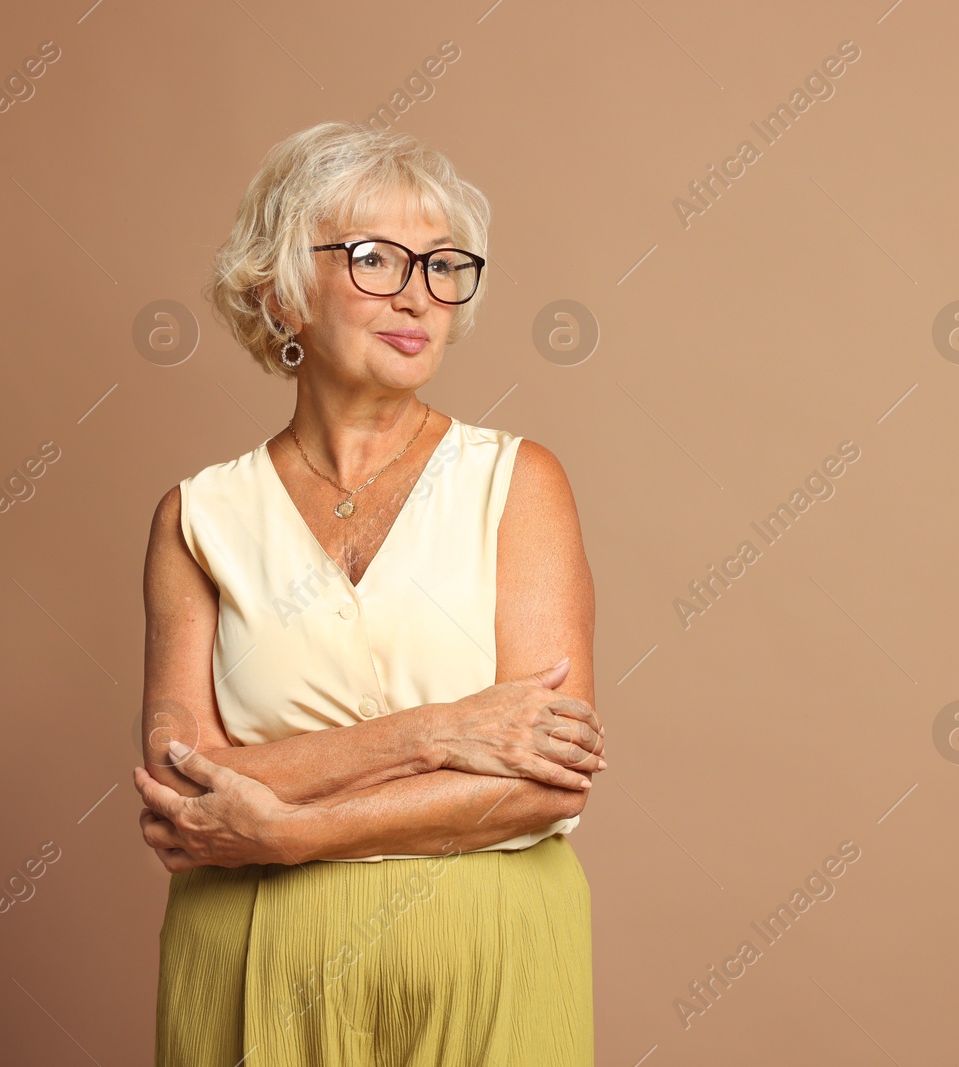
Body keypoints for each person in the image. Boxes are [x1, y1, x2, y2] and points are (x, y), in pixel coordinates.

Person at [132, 120, 605, 1065]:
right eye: (376, 258)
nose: (419, 294)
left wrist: (289, 827)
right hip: (251, 958)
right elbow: (183, 779)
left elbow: (541, 783)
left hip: (491, 956)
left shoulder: (520, 482)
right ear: (280, 291)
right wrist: (436, 733)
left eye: (442, 265)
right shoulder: (199, 516)